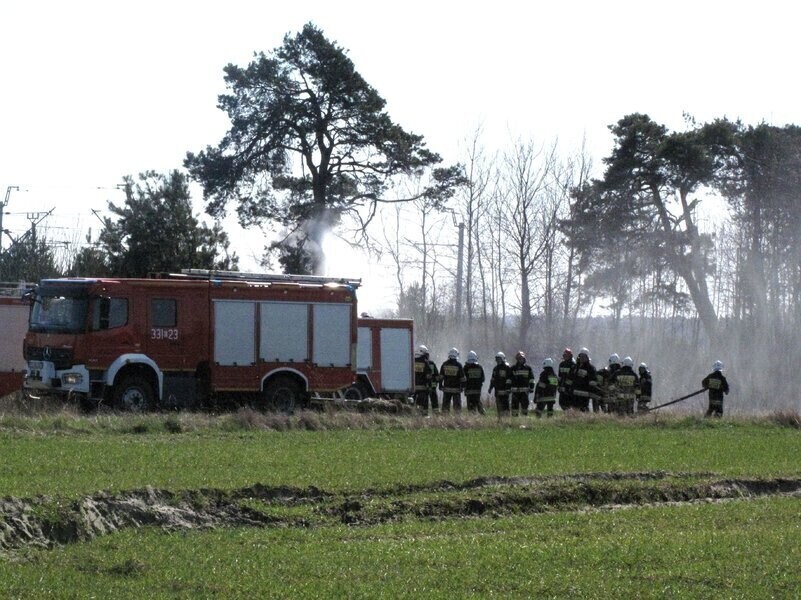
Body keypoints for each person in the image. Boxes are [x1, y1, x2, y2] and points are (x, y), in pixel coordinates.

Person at [569, 347, 598, 412]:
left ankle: (586, 420)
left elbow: (593, 382)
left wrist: (591, 391)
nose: (581, 358)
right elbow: (571, 379)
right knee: (574, 411)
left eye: (584, 356)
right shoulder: (575, 367)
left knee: (584, 410)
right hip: (574, 395)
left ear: (587, 357)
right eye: (580, 356)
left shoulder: (591, 368)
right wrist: (570, 390)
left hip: (584, 396)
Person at [439, 348, 466, 412]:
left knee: (445, 405)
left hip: (446, 389)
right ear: (456, 356)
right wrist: (463, 387)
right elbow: (462, 378)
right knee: (457, 407)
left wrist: (440, 385)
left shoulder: (444, 364)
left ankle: (444, 418)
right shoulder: (459, 365)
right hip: (456, 389)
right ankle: (457, 419)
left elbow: (441, 377)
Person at [509, 351, 535, 417]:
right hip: (515, 391)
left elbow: (531, 379)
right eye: (519, 358)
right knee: (514, 406)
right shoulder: (512, 368)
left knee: (525, 405)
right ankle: (515, 419)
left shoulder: (528, 368)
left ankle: (524, 418)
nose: (521, 360)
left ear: (524, 359)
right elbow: (509, 379)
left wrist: (532, 387)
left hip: (524, 391)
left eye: (522, 358)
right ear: (517, 359)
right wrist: (508, 388)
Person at [488, 351, 512, 417]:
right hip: (498, 391)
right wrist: (490, 388)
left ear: (502, 359)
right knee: (499, 406)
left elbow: (510, 379)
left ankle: (507, 418)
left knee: (506, 405)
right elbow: (493, 379)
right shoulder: (495, 369)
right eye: (497, 359)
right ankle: (500, 419)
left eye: (499, 359)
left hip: (505, 391)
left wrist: (508, 388)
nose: (497, 361)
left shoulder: (507, 368)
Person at [413, 345, 434, 414]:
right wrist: (430, 386)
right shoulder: (425, 362)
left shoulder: (412, 361)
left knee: (412, 401)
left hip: (412, 387)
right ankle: (421, 415)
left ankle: (411, 414)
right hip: (422, 387)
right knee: (422, 402)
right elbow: (428, 376)